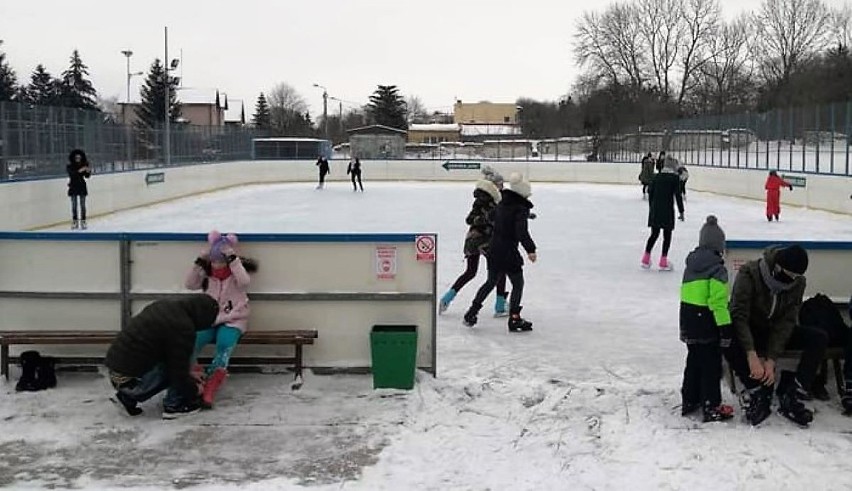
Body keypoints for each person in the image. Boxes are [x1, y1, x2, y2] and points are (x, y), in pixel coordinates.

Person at [724, 244, 820, 426]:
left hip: (773, 332)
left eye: (796, 277)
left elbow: (787, 322)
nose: (792, 280)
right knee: (726, 338)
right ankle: (756, 390)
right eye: (790, 275)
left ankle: (792, 391)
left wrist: (771, 359)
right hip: (749, 330)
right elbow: (739, 316)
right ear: (778, 267)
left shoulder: (798, 282)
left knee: (817, 338)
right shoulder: (749, 273)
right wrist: (751, 354)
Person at [105, 295, 220, 419]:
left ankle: (126, 399)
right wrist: (194, 390)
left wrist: (189, 374)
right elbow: (177, 371)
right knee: (175, 367)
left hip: (116, 372)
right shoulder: (182, 327)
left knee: (176, 358)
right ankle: (174, 405)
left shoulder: (166, 306)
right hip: (129, 380)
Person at [185, 231, 259, 408]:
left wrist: (233, 259)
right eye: (214, 261)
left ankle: (212, 384)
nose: (217, 265)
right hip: (208, 319)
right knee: (192, 340)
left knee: (224, 344)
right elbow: (190, 284)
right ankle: (193, 375)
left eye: (221, 261)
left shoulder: (235, 273)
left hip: (234, 318)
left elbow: (244, 281)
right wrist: (198, 262)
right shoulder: (207, 274)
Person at [463, 173, 537, 332]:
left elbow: (491, 216)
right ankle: (514, 319)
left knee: (491, 282)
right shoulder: (520, 208)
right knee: (518, 283)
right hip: (509, 251)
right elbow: (521, 232)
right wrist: (530, 249)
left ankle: (471, 312)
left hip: (494, 249)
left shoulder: (502, 203)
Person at [679, 215, 734, 422]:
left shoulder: (690, 265)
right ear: (720, 246)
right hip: (707, 322)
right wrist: (725, 327)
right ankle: (711, 405)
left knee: (693, 359)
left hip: (688, 320)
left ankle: (690, 399)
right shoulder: (717, 269)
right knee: (711, 364)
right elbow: (717, 303)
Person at [440, 166, 509, 316]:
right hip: (485, 241)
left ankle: (447, 298)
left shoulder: (482, 200)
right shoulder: (488, 201)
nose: (502, 187)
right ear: (493, 185)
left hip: (472, 239)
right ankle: (500, 305)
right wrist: (489, 219)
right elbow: (471, 219)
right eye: (500, 184)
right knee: (499, 271)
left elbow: (473, 219)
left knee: (471, 272)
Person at [641, 156, 685, 271]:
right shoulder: (674, 179)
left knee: (654, 234)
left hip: (655, 210)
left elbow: (650, 192)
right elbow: (678, 196)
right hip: (667, 210)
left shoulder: (656, 177)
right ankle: (663, 261)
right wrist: (681, 211)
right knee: (667, 235)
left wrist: (652, 208)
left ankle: (646, 258)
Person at [67, 149, 91, 230]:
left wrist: (88, 171)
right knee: (74, 205)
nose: (78, 159)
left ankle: (83, 221)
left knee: (82, 205)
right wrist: (80, 170)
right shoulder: (70, 166)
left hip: (81, 186)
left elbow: (87, 176)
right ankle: (75, 221)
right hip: (73, 186)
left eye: (79, 157)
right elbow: (72, 174)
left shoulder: (83, 165)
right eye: (76, 157)